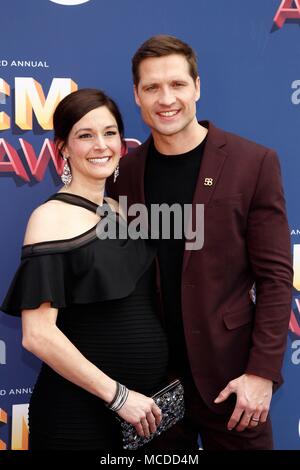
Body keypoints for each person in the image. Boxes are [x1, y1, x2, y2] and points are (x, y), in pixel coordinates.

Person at [106, 35, 293, 450]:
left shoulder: (253, 163)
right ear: (136, 95)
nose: (165, 98)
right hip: (152, 390)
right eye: (152, 87)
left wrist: (261, 374)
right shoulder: (122, 174)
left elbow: (277, 279)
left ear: (197, 87)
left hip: (233, 383)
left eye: (177, 84)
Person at [1, 88, 169, 451]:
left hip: (145, 419)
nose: (101, 145)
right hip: (78, 418)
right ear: (62, 147)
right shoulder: (49, 219)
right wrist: (120, 397)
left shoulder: (124, 209)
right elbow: (38, 336)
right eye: (85, 135)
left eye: (109, 133)